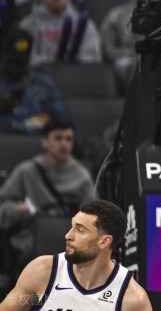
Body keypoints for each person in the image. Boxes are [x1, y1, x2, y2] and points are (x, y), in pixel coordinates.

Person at [0, 199, 152, 310]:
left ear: (104, 241)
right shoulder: (42, 272)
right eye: (72, 226)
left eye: (80, 230)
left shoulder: (132, 299)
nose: (68, 235)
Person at [0, 119, 93, 265]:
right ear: (44, 142)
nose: (64, 144)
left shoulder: (82, 176)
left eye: (68, 139)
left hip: (69, 237)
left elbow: (91, 216)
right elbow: (3, 205)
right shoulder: (27, 171)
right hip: (32, 238)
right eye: (58, 138)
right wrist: (16, 210)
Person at [19, 0, 102, 67]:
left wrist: (79, 61)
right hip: (40, 73)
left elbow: (95, 57)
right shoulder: (28, 24)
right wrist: (50, 62)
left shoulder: (84, 23)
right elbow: (24, 57)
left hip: (77, 74)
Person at [0, 29, 66, 133]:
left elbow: (61, 121)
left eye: (20, 63)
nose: (15, 68)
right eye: (12, 62)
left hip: (34, 140)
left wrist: (39, 122)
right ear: (3, 57)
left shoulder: (44, 85)